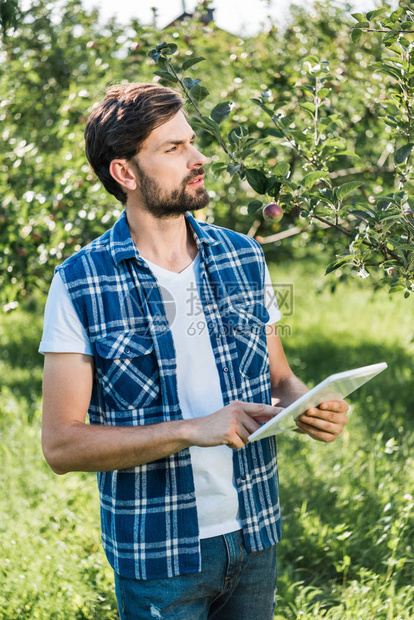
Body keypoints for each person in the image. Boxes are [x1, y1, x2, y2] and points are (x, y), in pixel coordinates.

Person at [40, 82, 348, 620]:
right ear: (126, 173)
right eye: (174, 148)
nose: (198, 158)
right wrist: (192, 429)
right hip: (159, 557)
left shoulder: (243, 257)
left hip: (255, 535)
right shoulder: (81, 282)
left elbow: (280, 378)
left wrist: (308, 405)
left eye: (192, 142)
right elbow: (62, 446)